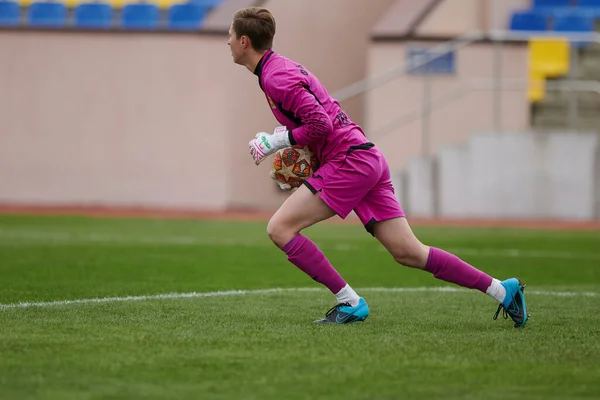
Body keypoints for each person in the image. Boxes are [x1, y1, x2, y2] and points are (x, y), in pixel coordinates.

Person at [229, 6, 529, 327]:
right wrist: (295, 142)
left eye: (231, 36)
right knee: (409, 252)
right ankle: (503, 290)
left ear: (245, 41)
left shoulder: (276, 77)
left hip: (349, 161)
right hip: (363, 155)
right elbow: (320, 118)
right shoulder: (278, 69)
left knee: (280, 229)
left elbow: (322, 123)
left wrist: (277, 141)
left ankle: (350, 302)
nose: (228, 42)